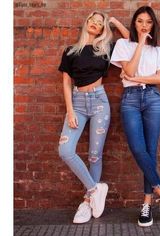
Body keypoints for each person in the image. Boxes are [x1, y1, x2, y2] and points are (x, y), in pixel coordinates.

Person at [58, 11, 129, 224]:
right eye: (93, 21)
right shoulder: (70, 51)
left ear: (102, 29)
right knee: (65, 150)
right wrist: (70, 111)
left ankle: (87, 202)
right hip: (77, 104)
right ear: (86, 23)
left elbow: (128, 39)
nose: (96, 25)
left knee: (94, 155)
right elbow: (66, 83)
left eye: (100, 24)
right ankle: (95, 189)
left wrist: (114, 22)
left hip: (99, 102)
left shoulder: (105, 49)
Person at [110, 6, 160, 227]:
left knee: (150, 151)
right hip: (129, 100)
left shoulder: (158, 51)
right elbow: (128, 69)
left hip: (153, 100)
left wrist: (136, 78)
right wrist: (138, 43)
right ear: (134, 23)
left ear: (153, 24)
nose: (144, 25)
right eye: (140, 21)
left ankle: (147, 202)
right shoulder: (122, 44)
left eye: (148, 22)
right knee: (138, 149)